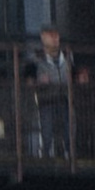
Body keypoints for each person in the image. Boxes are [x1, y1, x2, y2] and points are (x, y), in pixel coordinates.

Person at [27, 23, 72, 165]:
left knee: (68, 127)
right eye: (51, 35)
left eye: (56, 35)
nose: (55, 38)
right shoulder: (35, 57)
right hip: (46, 99)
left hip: (64, 97)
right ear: (43, 37)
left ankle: (68, 154)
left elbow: (74, 74)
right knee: (47, 129)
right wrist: (39, 81)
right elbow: (28, 81)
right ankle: (46, 156)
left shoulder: (67, 55)